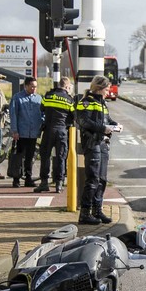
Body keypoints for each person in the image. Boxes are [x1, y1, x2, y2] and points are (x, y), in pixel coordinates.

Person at [76, 75, 122, 225]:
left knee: (102, 180)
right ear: (100, 88)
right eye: (107, 89)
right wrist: (104, 128)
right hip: (92, 143)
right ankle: (85, 213)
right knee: (93, 179)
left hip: (103, 144)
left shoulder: (102, 104)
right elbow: (84, 121)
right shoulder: (85, 102)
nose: (109, 92)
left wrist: (116, 125)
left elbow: (107, 120)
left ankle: (97, 210)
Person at [34, 77, 75, 194]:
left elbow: (42, 109)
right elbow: (74, 116)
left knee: (45, 157)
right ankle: (59, 184)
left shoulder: (48, 96)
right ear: (67, 87)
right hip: (62, 131)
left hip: (48, 130)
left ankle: (44, 183)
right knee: (61, 157)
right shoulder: (69, 99)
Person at [9, 77, 43, 188]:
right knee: (19, 156)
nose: (34, 88)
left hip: (33, 133)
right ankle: (16, 178)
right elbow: (13, 115)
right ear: (26, 86)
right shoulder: (17, 98)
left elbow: (42, 114)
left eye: (35, 86)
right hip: (21, 132)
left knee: (30, 157)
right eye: (32, 86)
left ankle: (28, 178)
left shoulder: (39, 98)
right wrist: (14, 131)